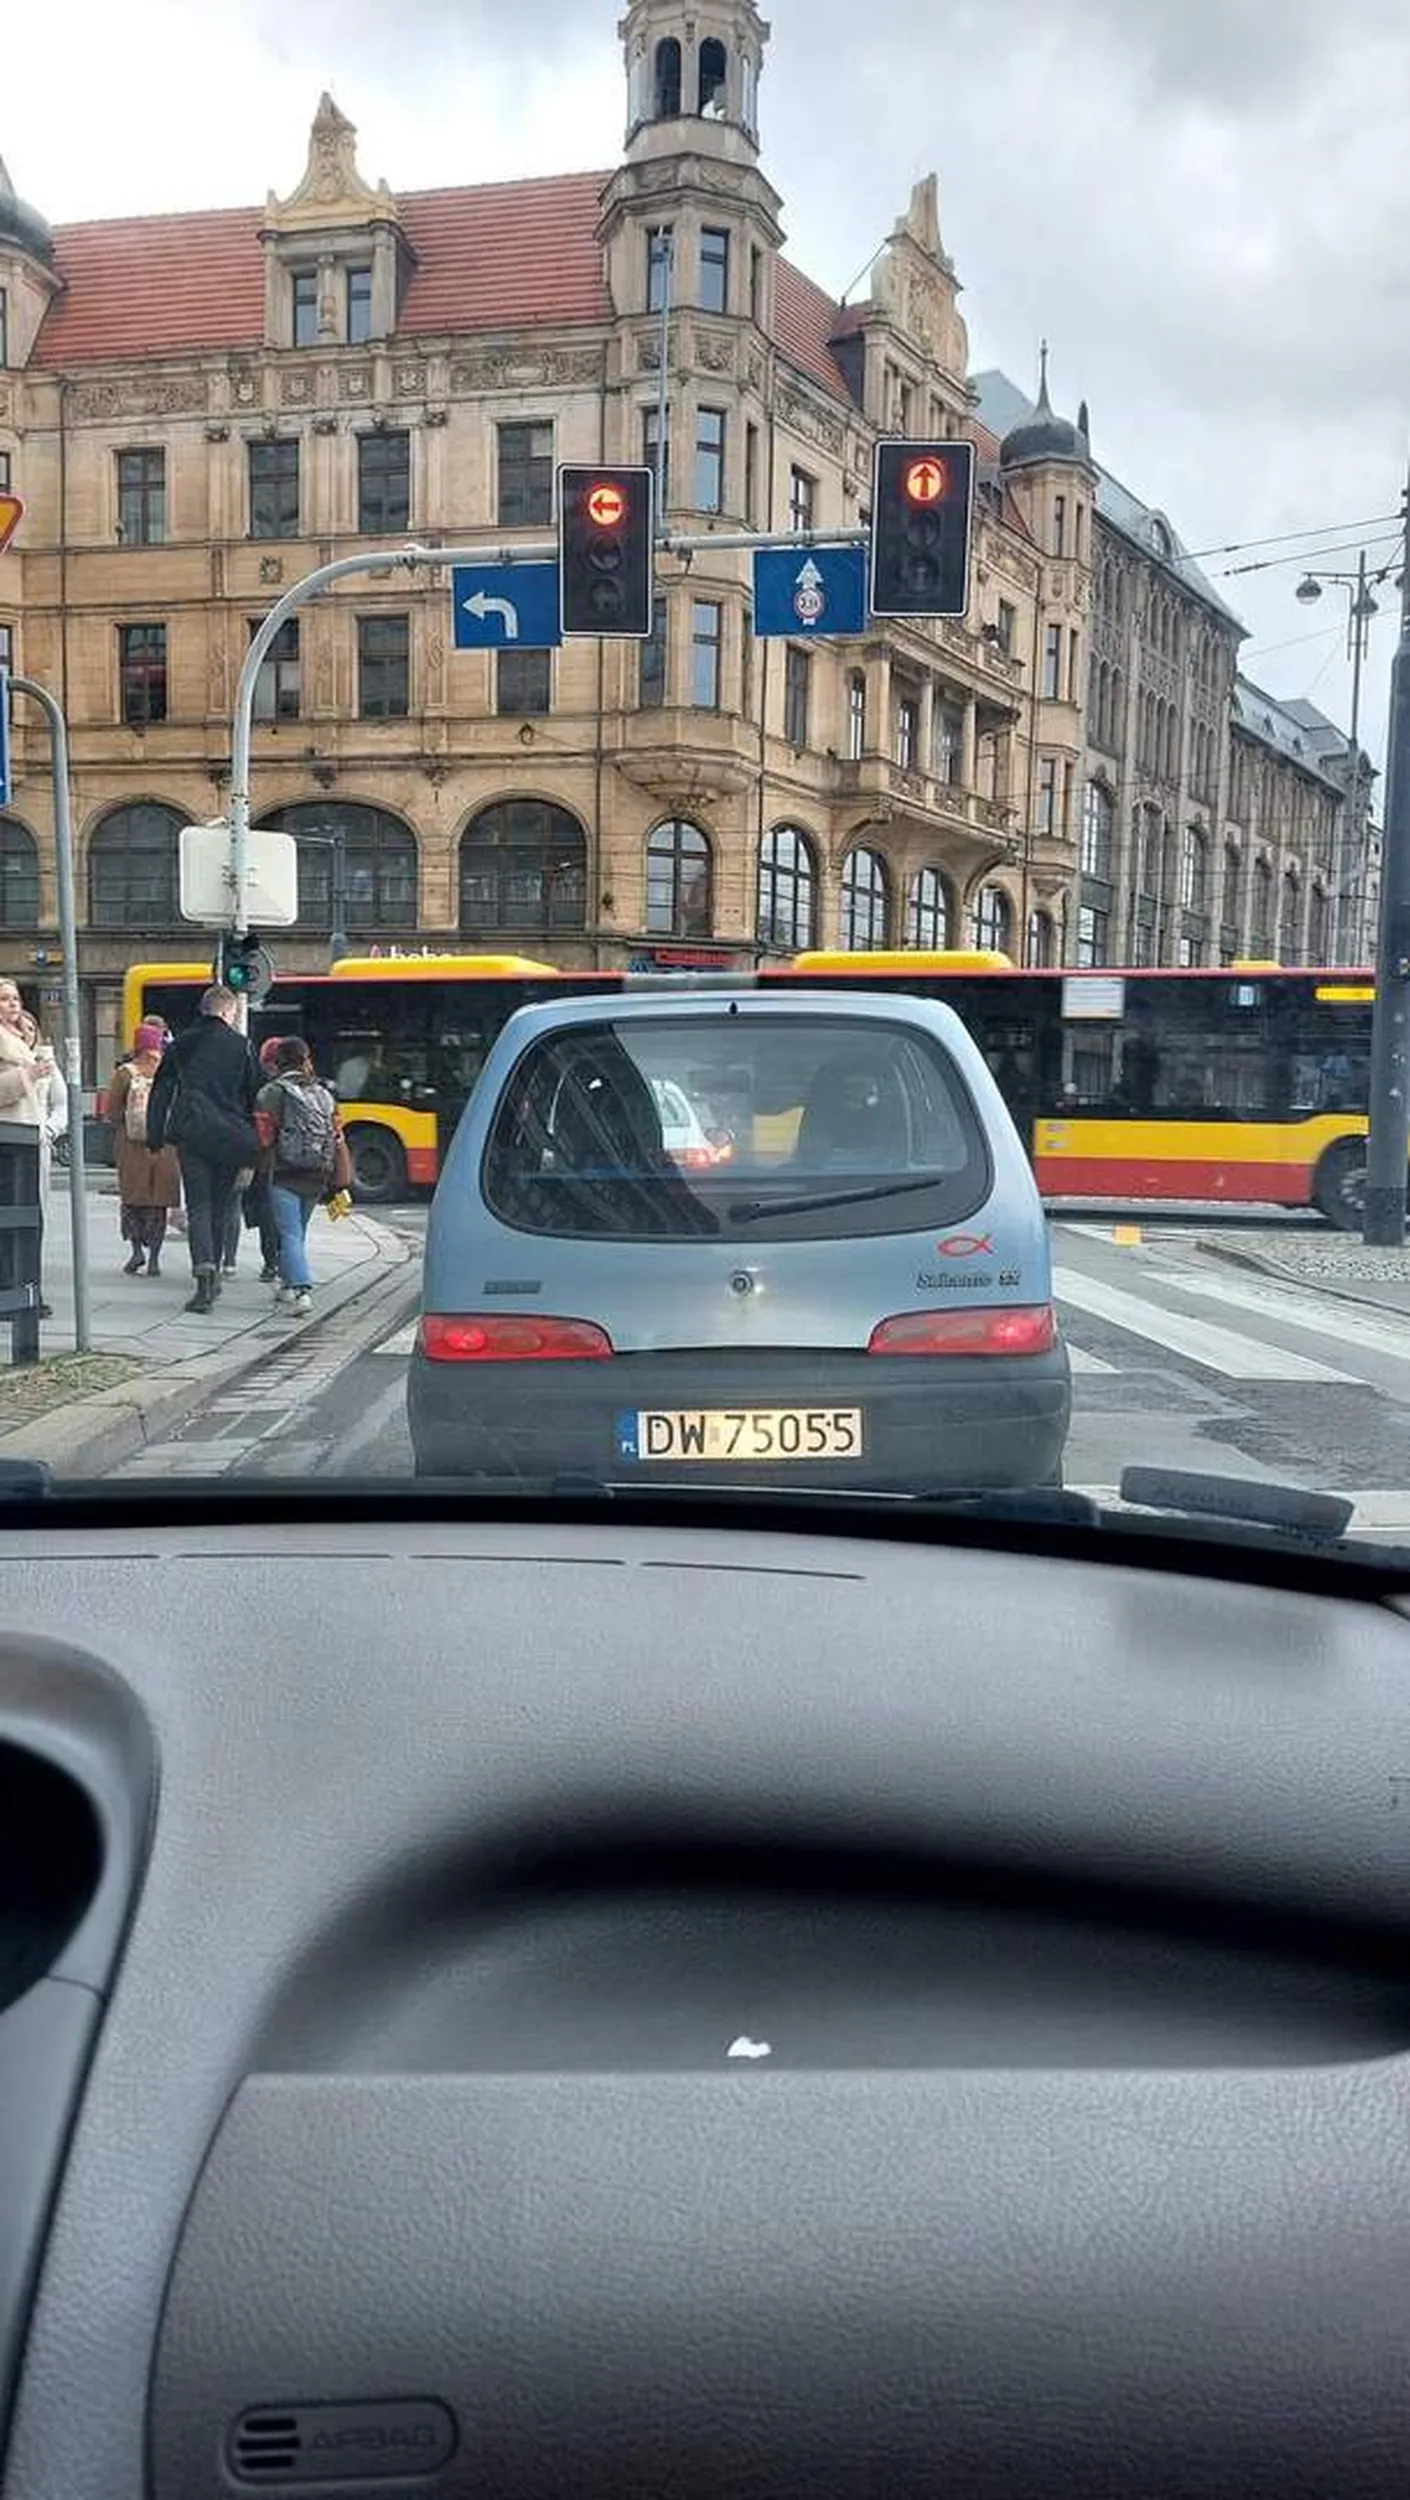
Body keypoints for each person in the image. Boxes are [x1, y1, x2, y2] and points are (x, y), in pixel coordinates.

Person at [146, 985, 260, 1314]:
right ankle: (218, 1265)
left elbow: (161, 1090)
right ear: (227, 1012)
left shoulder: (181, 1043)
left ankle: (204, 1271)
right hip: (230, 1136)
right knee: (223, 1206)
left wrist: (156, 1136)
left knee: (198, 1204)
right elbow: (254, 1094)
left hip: (192, 1133)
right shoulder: (242, 1046)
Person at [255, 1037, 349, 1318]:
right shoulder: (324, 1093)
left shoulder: (271, 1093)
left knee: (289, 1232)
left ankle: (301, 1290)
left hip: (284, 1173)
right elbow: (336, 1133)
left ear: (278, 1061)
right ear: (306, 1059)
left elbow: (263, 1137)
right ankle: (286, 1283)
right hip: (318, 1173)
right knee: (298, 1231)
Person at [107, 1021, 181, 1276]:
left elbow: (112, 1111)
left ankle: (136, 1250)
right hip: (164, 1146)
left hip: (131, 1146)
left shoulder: (124, 1073)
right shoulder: (170, 1071)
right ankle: (155, 1260)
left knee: (132, 1200)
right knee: (159, 1204)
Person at [0, 981, 49, 1318]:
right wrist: (27, 1075)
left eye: (15, 998)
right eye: (4, 999)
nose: (12, 1004)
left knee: (34, 1218)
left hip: (31, 1137)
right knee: (12, 1219)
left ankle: (29, 1290)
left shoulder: (24, 1039)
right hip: (7, 1139)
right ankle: (10, 1292)